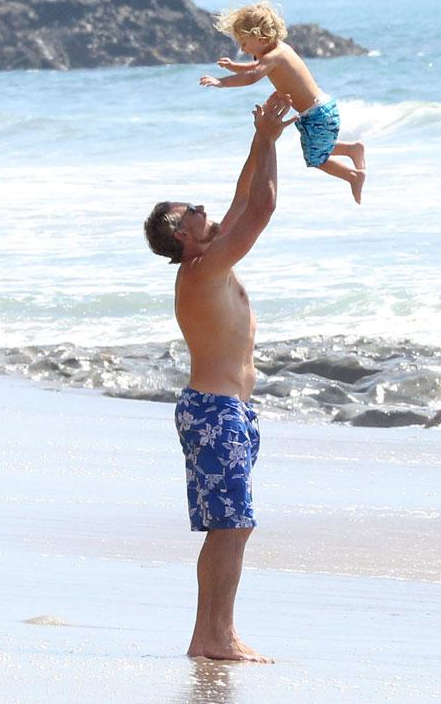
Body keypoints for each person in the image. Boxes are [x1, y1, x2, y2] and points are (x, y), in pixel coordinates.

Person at [143, 92, 296, 663]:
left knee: (230, 527)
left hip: (225, 412)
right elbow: (262, 209)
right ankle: (216, 637)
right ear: (181, 232)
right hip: (214, 413)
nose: (208, 211)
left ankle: (209, 635)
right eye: (196, 211)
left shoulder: (208, 260)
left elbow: (241, 198)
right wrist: (271, 144)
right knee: (231, 527)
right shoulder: (204, 269)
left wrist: (261, 139)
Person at [199, 0, 366, 204]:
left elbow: (253, 76)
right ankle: (351, 149)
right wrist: (235, 66)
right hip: (320, 109)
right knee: (315, 149)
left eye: (243, 43)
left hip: (316, 114)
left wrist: (221, 82)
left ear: (260, 37)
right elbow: (257, 67)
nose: (242, 49)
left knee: (316, 159)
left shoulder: (274, 57)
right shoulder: (280, 50)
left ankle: (353, 176)